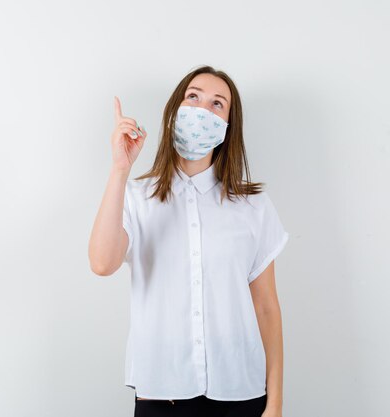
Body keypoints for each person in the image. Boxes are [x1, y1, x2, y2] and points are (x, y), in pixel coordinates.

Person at [88, 65, 289, 417]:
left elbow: (267, 309)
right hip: (162, 395)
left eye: (217, 104)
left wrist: (275, 403)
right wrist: (120, 169)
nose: (201, 110)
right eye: (193, 97)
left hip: (240, 394)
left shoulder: (253, 206)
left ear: (228, 126)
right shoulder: (137, 197)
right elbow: (102, 264)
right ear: (174, 112)